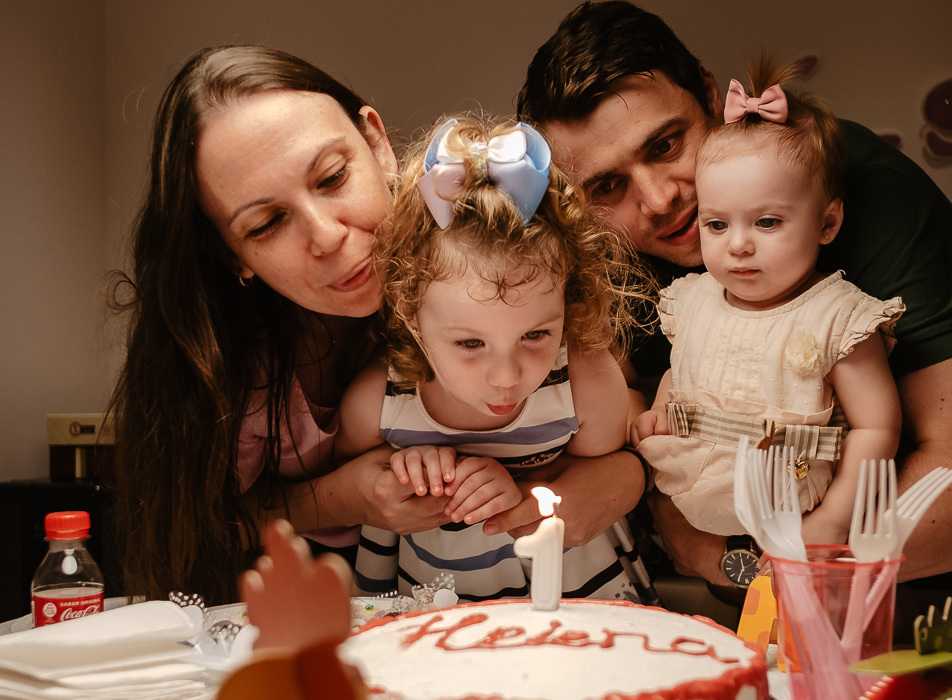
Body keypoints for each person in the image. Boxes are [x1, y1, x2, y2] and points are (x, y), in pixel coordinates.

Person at [518, 1, 952, 587]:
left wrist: (739, 562)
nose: (656, 200)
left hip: (944, 615)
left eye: (666, 145)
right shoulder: (613, 251)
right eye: (608, 185)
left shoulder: (853, 184)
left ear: (708, 92)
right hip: (758, 634)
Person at [109, 45, 645, 605]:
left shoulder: (484, 259)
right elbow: (198, 530)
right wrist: (345, 497)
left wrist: (615, 479)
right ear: (229, 254)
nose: (327, 235)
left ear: (375, 142)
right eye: (267, 223)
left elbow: (625, 408)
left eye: (333, 177)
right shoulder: (232, 363)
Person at [336, 115, 641, 601]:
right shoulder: (377, 405)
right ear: (411, 316)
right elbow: (357, 486)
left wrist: (524, 486)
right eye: (470, 344)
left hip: (577, 604)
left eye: (537, 334)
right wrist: (409, 468)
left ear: (569, 301)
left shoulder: (584, 382)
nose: (507, 376)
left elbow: (604, 474)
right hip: (436, 619)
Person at [630, 62, 904, 546]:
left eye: (768, 222)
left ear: (827, 223)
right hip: (695, 487)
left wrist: (834, 522)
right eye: (716, 225)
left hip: (793, 490)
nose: (738, 245)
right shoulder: (693, 300)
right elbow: (685, 364)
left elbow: (877, 427)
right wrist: (663, 404)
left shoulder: (836, 317)